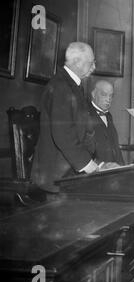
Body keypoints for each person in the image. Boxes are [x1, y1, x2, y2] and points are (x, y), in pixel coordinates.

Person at [31, 42, 99, 193]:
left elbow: (82, 131)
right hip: (56, 178)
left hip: (68, 172)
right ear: (76, 61)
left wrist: (93, 162)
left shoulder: (73, 85)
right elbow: (64, 135)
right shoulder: (61, 86)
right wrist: (89, 166)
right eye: (91, 63)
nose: (94, 67)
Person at [89, 80, 124, 166]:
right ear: (93, 94)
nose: (108, 99)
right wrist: (101, 165)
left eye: (111, 96)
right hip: (95, 173)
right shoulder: (85, 114)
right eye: (104, 94)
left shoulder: (109, 116)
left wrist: (122, 167)